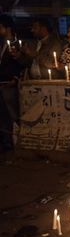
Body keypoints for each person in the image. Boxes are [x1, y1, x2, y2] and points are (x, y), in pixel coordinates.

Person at [0, 15, 25, 152]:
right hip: (2, 82)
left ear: (7, 28)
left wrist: (15, 78)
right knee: (3, 115)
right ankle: (7, 142)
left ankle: (18, 142)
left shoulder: (15, 43)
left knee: (13, 113)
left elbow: (19, 64)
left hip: (10, 83)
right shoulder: (2, 43)